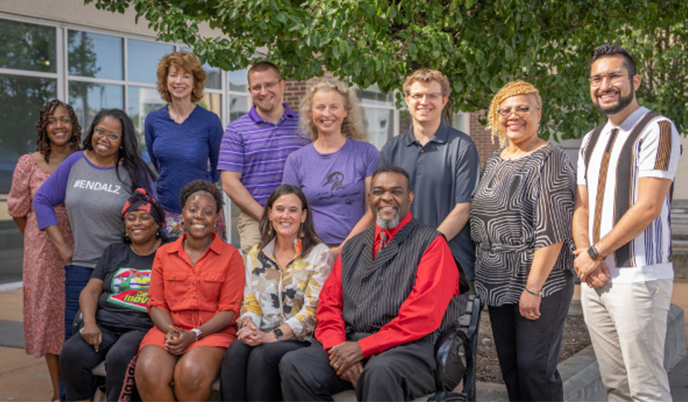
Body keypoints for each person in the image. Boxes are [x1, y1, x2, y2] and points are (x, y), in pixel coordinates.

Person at [280, 166, 464, 401]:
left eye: (396, 191)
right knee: (296, 365)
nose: (386, 197)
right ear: (370, 198)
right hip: (354, 344)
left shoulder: (431, 244)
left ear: (410, 197)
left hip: (415, 350)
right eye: (378, 191)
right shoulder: (353, 247)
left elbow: (423, 315)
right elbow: (329, 306)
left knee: (380, 372)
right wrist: (338, 351)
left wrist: (363, 348)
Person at [573, 44, 681, 402]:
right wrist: (585, 257)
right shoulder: (590, 139)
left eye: (614, 75)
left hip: (639, 279)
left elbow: (648, 206)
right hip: (595, 279)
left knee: (646, 390)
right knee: (616, 388)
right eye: (597, 78)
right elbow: (582, 206)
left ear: (634, 80)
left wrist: (596, 252)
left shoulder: (658, 128)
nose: (605, 84)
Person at [470, 80, 576, 401]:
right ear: (496, 117)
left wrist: (534, 288)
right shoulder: (496, 159)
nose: (513, 116)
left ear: (538, 113)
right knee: (512, 368)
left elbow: (554, 230)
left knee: (534, 368)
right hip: (496, 279)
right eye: (505, 110)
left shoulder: (550, 158)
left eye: (523, 108)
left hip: (539, 278)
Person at [33, 108, 156, 348]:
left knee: (120, 339)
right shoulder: (76, 162)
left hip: (123, 271)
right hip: (82, 266)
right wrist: (63, 247)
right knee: (75, 340)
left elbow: (153, 213)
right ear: (92, 131)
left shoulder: (133, 170)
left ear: (123, 141)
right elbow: (42, 200)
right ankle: (71, 388)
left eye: (113, 136)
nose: (104, 139)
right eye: (100, 131)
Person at [220, 184, 333, 401]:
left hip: (303, 338)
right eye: (279, 209)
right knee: (235, 350)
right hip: (264, 332)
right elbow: (250, 302)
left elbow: (312, 312)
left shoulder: (319, 254)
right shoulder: (256, 254)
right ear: (270, 213)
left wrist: (272, 336)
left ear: (303, 216)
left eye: (293, 210)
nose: (285, 216)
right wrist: (249, 327)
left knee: (262, 356)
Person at [134, 180, 244, 401]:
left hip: (213, 334)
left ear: (217, 218)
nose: (199, 216)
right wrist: (173, 332)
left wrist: (194, 335)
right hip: (169, 330)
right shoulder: (164, 253)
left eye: (208, 212)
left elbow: (229, 311)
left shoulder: (231, 256)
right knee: (147, 370)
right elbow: (156, 304)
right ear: (182, 214)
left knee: (190, 373)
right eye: (193, 210)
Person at [60, 188, 168, 402]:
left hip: (142, 327)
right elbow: (90, 291)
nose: (136, 223)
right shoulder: (114, 252)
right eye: (131, 218)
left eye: (145, 217)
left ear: (158, 224)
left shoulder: (169, 253)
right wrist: (89, 324)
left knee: (119, 358)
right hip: (105, 325)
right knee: (71, 353)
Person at [8, 99, 81, 401]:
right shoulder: (28, 163)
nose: (59, 126)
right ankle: (58, 391)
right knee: (50, 320)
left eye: (64, 119)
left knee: (77, 315)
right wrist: (38, 242)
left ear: (73, 125)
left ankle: (78, 385)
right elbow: (17, 209)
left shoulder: (83, 160)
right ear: (44, 127)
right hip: (42, 255)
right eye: (52, 121)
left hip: (79, 249)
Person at [377, 69, 480, 280]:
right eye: (417, 95)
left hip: (447, 260)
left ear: (444, 101)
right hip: (399, 261)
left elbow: (463, 209)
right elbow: (382, 206)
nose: (424, 101)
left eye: (432, 95)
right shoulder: (392, 149)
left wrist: (425, 248)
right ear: (407, 100)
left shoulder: (461, 146)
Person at [282, 78, 379, 258]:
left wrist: (343, 249)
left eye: (334, 107)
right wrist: (321, 250)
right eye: (320, 107)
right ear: (311, 113)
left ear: (345, 112)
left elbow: (373, 209)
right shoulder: (296, 160)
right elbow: (291, 213)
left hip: (359, 252)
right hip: (310, 254)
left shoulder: (367, 153)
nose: (327, 114)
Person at [219, 61, 308, 253]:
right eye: (257, 87)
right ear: (250, 90)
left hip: (299, 217)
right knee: (259, 278)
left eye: (269, 85)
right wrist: (267, 216)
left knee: (300, 277)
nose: (263, 91)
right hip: (256, 218)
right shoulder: (236, 130)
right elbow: (229, 183)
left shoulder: (305, 125)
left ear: (282, 85)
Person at [145, 51, 224, 238]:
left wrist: (205, 195)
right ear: (165, 81)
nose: (179, 81)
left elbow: (218, 166)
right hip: (167, 208)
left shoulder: (210, 121)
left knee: (209, 264)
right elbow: (158, 163)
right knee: (172, 264)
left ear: (195, 82)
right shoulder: (153, 120)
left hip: (203, 211)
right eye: (173, 75)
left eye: (186, 76)